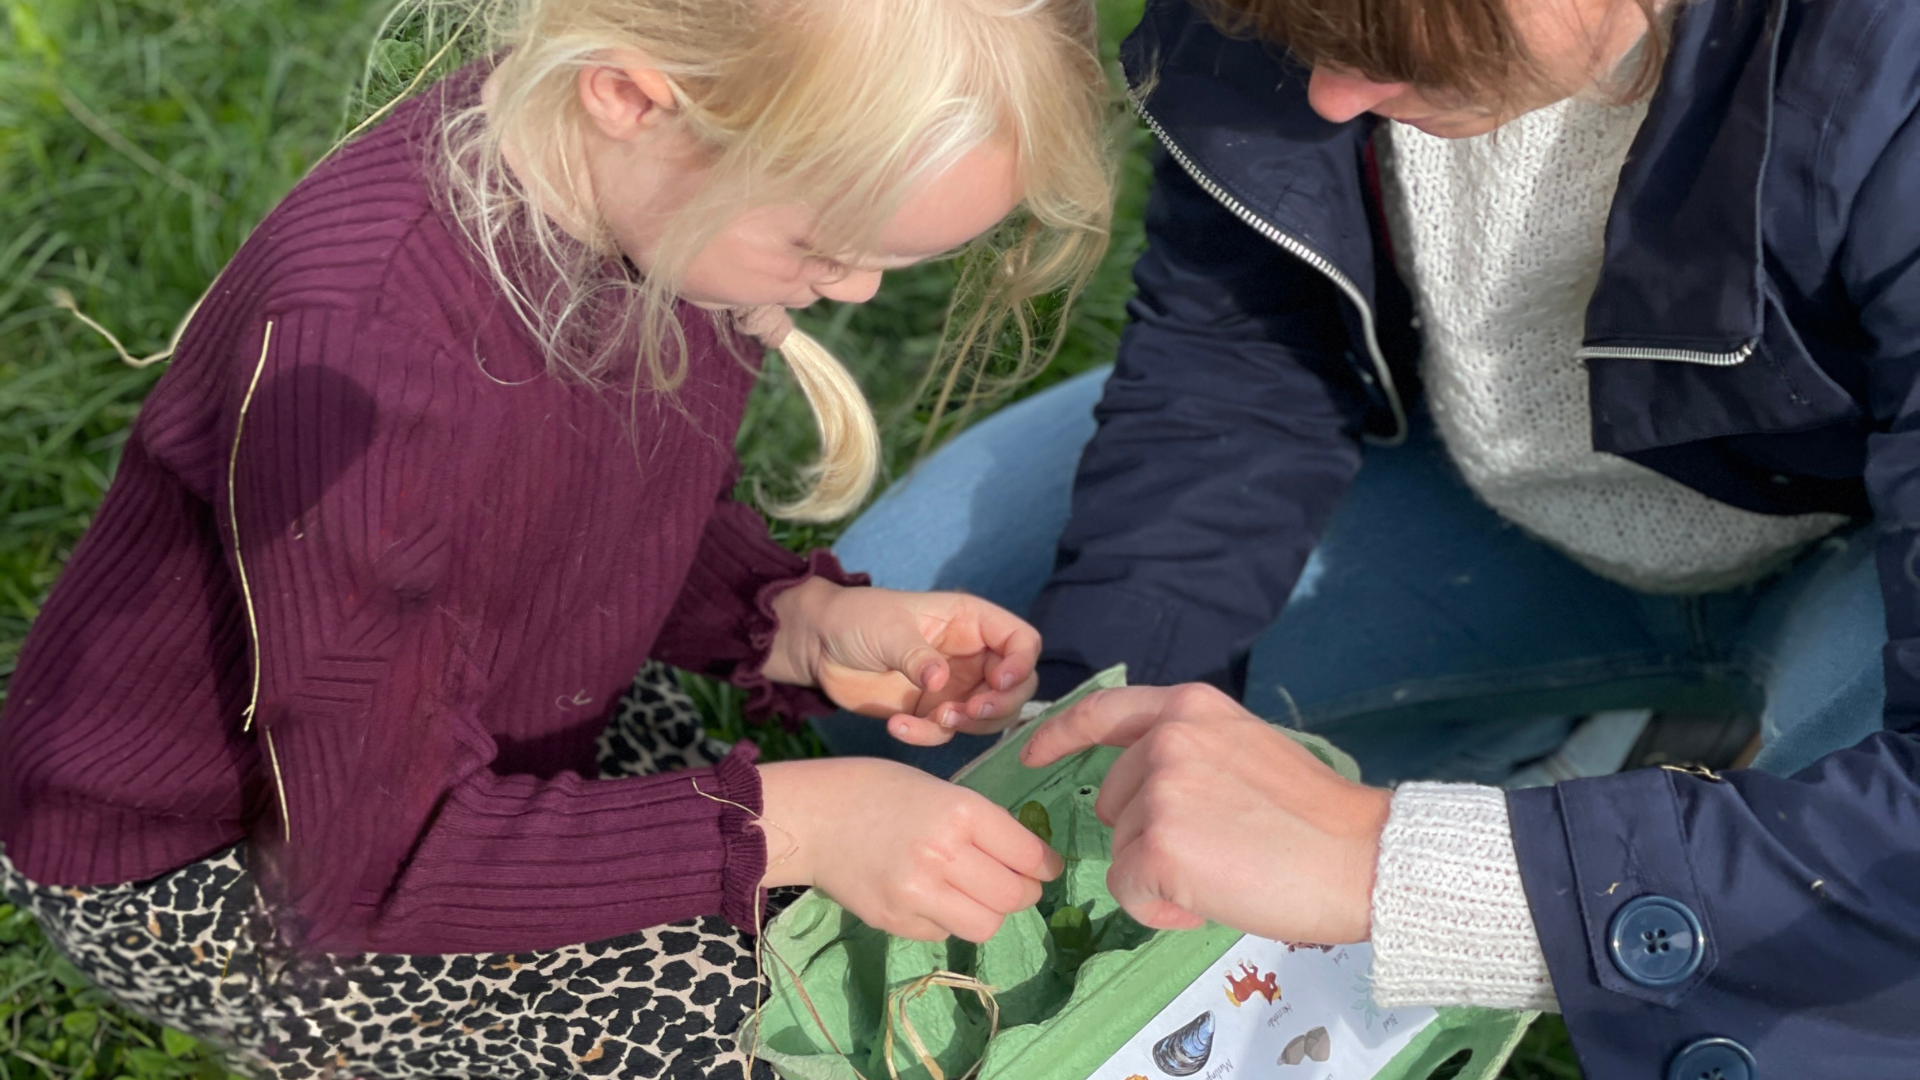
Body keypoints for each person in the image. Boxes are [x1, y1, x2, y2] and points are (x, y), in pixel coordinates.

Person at [0, 0, 1114, 1075]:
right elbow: (371, 868)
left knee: (845, 939)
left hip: (484, 720)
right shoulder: (378, 367)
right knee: (792, 1032)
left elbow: (589, 522)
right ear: (631, 94)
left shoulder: (643, 193)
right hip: (231, 857)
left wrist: (800, 624)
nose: (857, 292)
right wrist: (801, 823)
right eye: (824, 248)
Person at [820, 0, 1920, 1075]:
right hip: (1488, 490)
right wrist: (1100, 743)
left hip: (1858, 563)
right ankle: (1596, 742)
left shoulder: (1889, 76)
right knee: (932, 674)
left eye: (1399, 47)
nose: (1335, 96)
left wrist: (1395, 866)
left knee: (1829, 970)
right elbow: (1239, 370)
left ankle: (1633, 793)